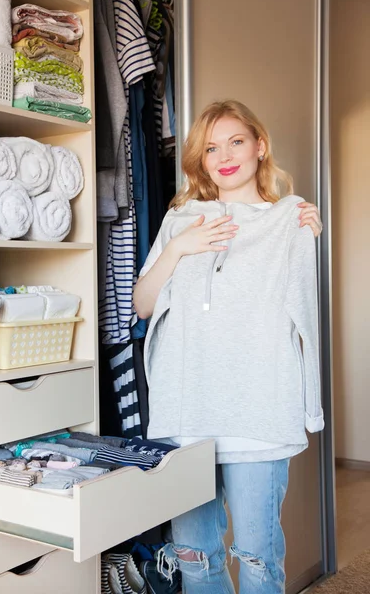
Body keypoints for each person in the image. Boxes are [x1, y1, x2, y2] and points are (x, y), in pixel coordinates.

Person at [133, 100, 324, 594]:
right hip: (185, 415)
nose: (224, 156)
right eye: (211, 147)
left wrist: (311, 405)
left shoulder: (289, 219)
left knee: (259, 559)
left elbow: (305, 318)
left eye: (236, 141)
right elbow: (143, 305)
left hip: (259, 415)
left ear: (260, 146)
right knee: (196, 559)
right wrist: (178, 250)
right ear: (200, 158)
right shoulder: (180, 222)